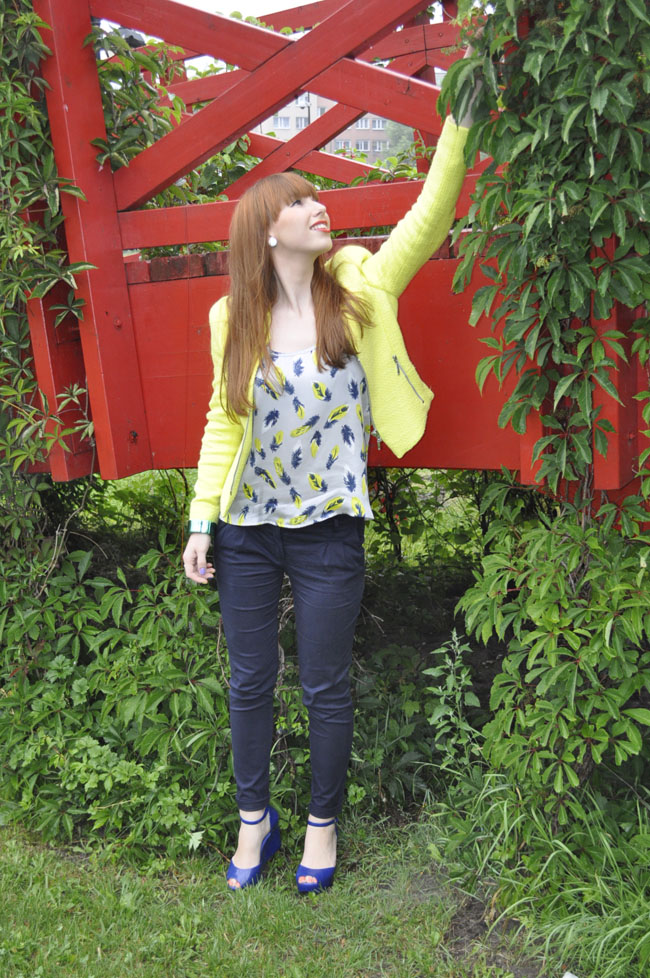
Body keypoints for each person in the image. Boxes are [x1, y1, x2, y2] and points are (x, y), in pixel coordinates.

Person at [182, 52, 477, 892]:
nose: (321, 207)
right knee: (249, 682)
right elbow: (223, 417)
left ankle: (321, 826)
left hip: (329, 530)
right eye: (301, 201)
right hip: (246, 529)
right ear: (267, 230)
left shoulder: (359, 291)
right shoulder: (230, 317)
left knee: (324, 686)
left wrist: (461, 117)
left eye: (319, 198)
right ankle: (253, 822)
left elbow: (430, 215)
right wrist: (201, 519)